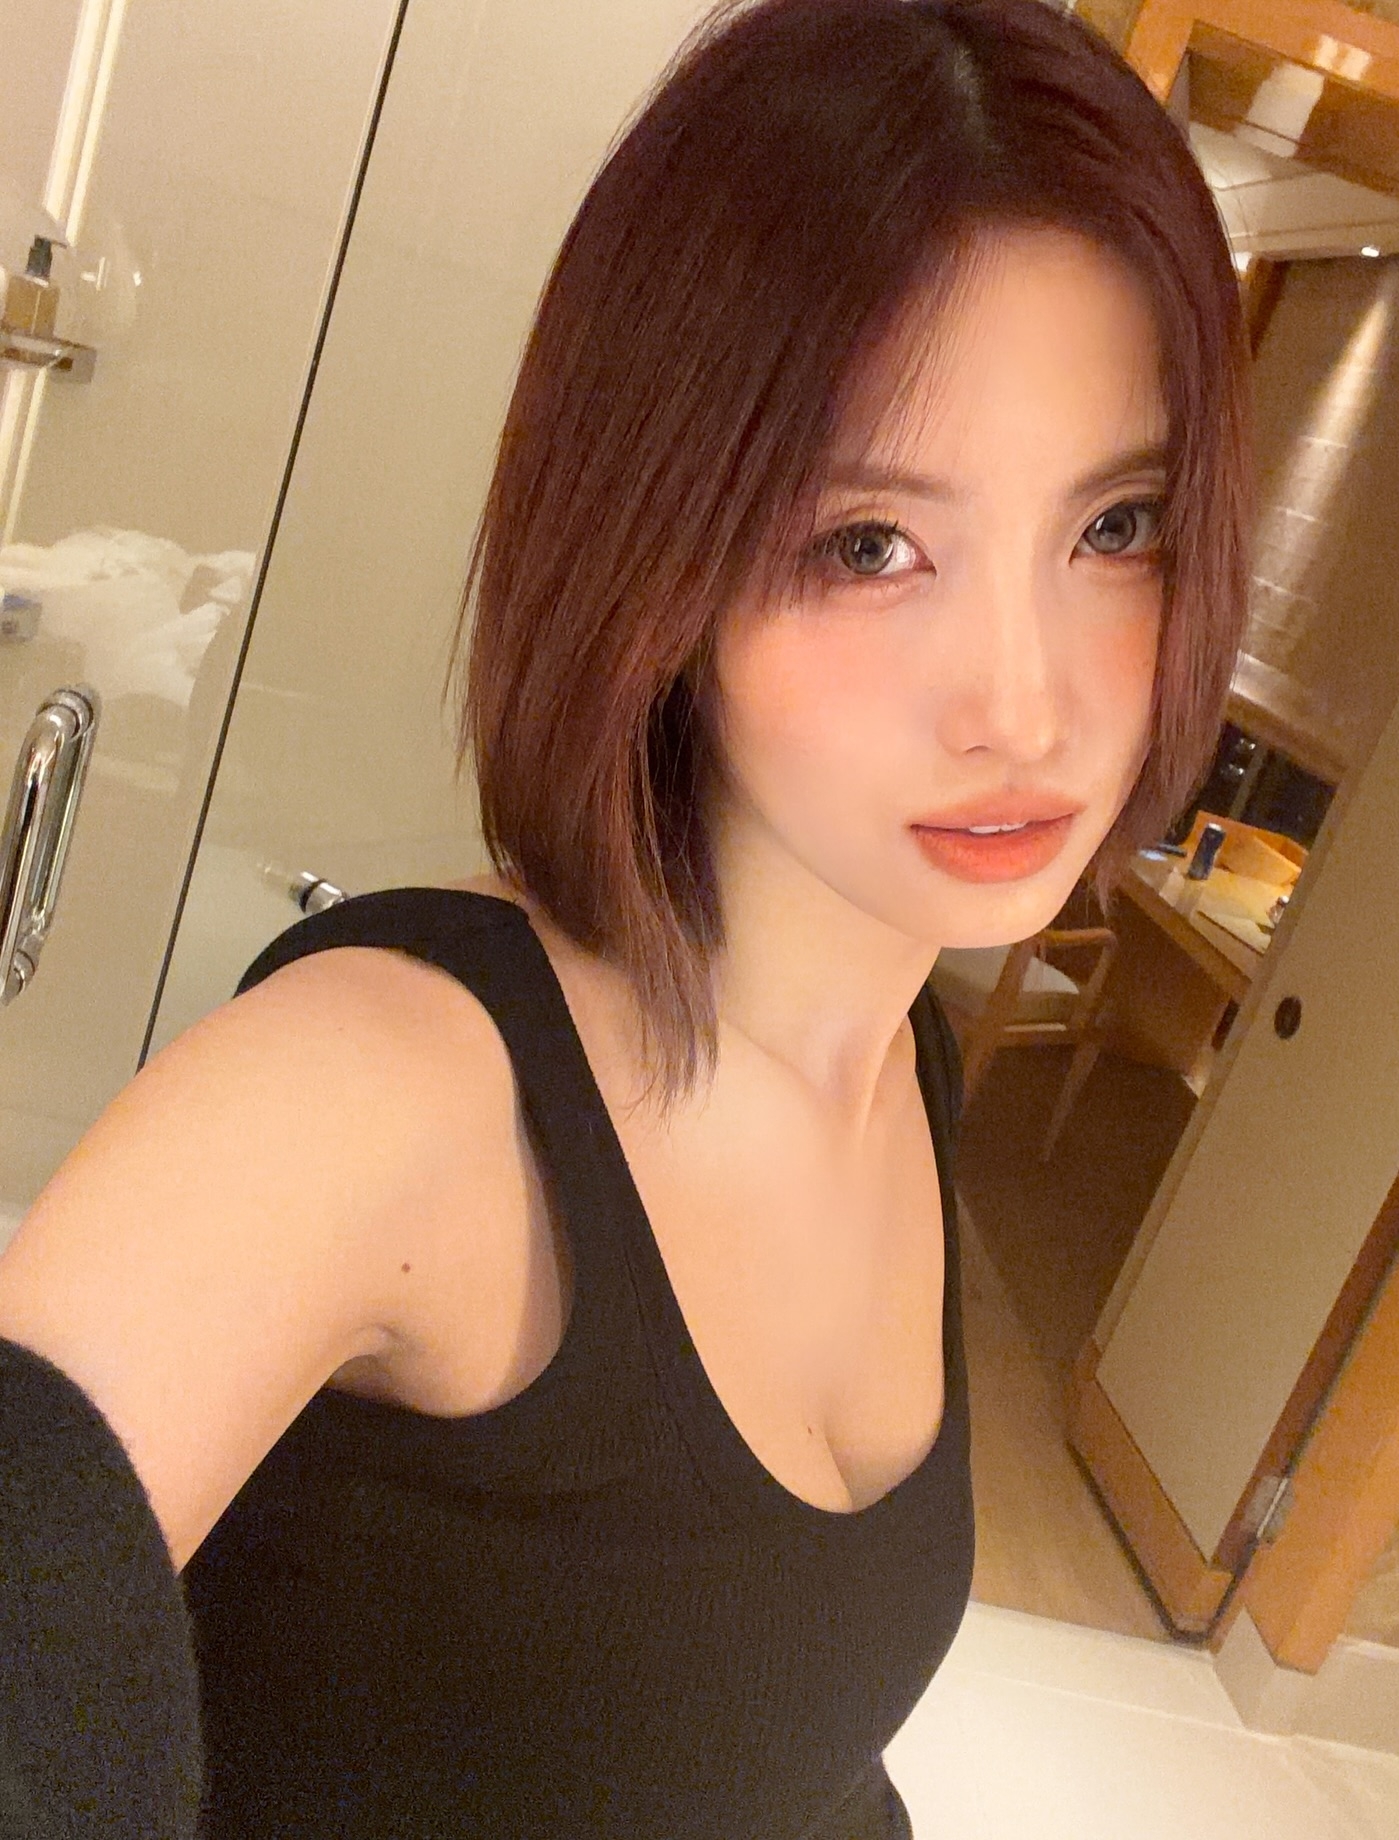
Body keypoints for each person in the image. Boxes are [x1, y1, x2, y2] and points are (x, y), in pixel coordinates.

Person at [0, 0, 1252, 1833]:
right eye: (869, 545)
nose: (1025, 702)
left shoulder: (900, 1065)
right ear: (659, 550)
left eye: (1116, 528)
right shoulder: (388, 1088)